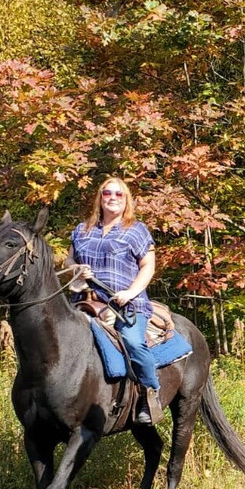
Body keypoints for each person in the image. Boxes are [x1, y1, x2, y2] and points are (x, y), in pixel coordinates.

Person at [69, 176, 161, 425]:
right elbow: (69, 260)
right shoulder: (83, 229)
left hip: (125, 305)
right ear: (100, 198)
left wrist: (130, 293)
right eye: (107, 193)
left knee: (133, 343)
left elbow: (148, 266)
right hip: (85, 301)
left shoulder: (136, 230)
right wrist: (77, 268)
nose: (112, 198)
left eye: (119, 194)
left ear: (126, 199)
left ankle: (150, 393)